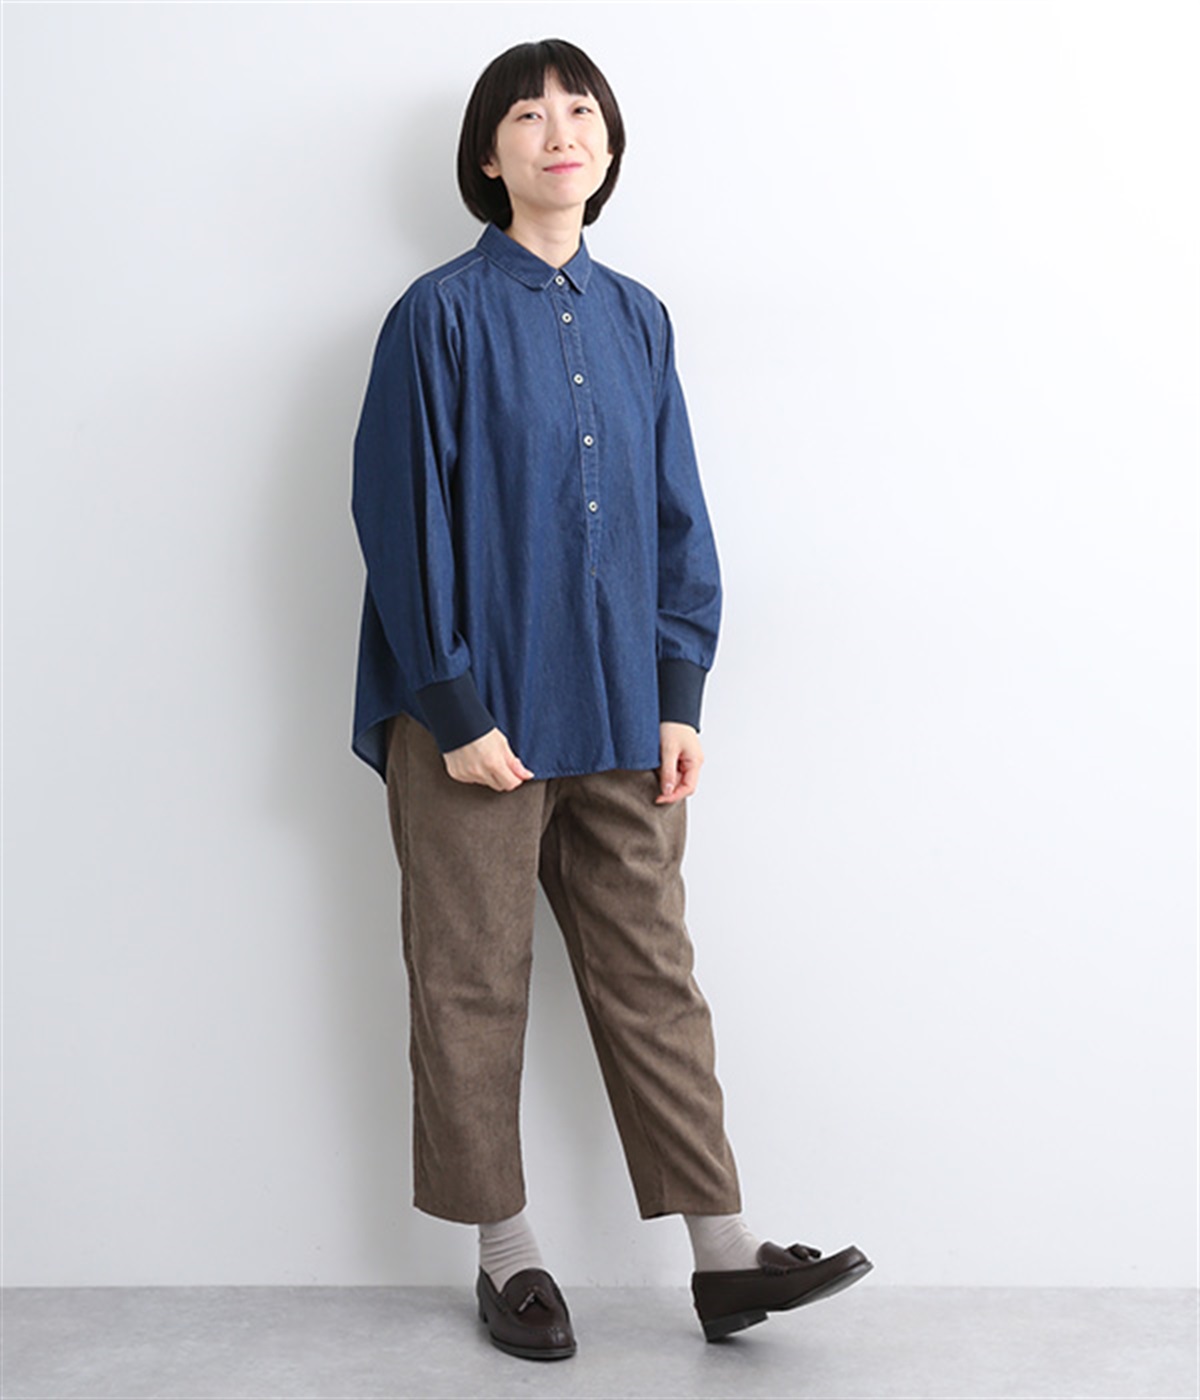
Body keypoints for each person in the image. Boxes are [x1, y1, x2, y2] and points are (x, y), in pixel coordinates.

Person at [350, 38, 872, 1361]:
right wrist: (454, 706)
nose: (559, 132)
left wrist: (679, 694)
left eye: (580, 110)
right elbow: (399, 521)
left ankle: (725, 1255)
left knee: (655, 976)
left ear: (610, 145)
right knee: (472, 981)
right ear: (488, 155)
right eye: (529, 115)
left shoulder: (640, 318)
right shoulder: (436, 316)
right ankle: (507, 1257)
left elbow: (678, 513)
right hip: (474, 722)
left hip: (622, 714)